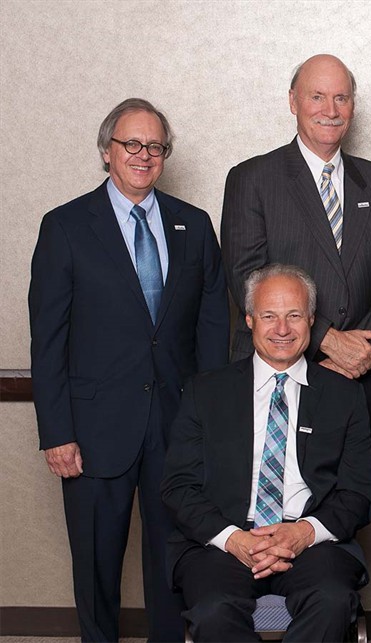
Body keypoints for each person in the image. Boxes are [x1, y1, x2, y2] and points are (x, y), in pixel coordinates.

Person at [28, 98, 230, 641]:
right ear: (106, 151)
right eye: (131, 144)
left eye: (155, 146)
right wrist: (57, 433)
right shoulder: (65, 227)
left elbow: (213, 331)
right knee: (96, 564)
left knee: (173, 561)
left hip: (176, 425)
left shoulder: (194, 224)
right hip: (93, 431)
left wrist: (211, 424)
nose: (144, 155)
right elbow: (47, 341)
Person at [161, 264, 371, 642]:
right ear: (249, 320)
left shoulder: (344, 396)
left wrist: (304, 533)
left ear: (311, 320)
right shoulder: (205, 392)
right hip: (225, 541)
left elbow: (356, 494)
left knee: (333, 601)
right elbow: (179, 487)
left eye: (294, 315)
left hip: (310, 541)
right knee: (213, 611)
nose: (282, 329)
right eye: (269, 316)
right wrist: (233, 538)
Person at [222, 53, 371, 459]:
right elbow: (246, 277)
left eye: (341, 98)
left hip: (359, 376)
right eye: (317, 97)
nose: (330, 110)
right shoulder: (252, 179)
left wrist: (359, 352)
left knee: (347, 506)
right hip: (275, 370)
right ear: (293, 101)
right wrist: (327, 339)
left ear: (353, 107)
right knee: (267, 500)